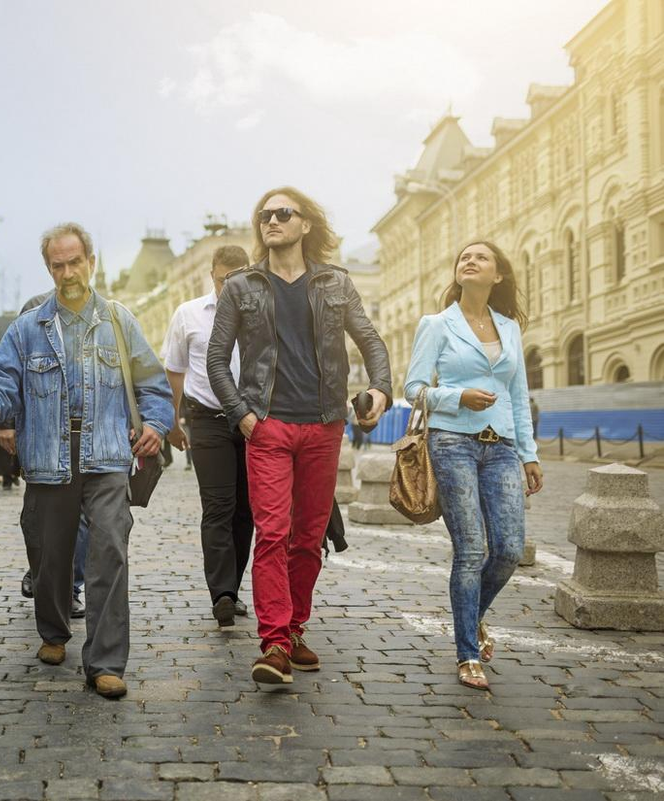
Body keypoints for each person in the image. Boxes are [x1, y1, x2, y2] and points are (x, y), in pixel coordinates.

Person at [0, 222, 173, 699]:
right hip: (47, 458)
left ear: (91, 262)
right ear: (49, 268)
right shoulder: (28, 328)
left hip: (106, 456)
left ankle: (105, 661)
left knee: (109, 552)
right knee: (50, 555)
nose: (68, 272)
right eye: (58, 265)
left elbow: (153, 385)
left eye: (74, 262)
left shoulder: (120, 321)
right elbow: (1, 376)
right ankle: (53, 629)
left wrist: (155, 424)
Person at [207, 187, 390, 685]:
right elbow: (217, 360)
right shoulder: (242, 286)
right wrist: (243, 415)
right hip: (268, 425)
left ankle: (293, 628)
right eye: (264, 214)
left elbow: (370, 340)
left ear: (305, 223)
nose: (271, 220)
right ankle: (273, 644)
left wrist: (380, 389)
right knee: (272, 533)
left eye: (282, 213)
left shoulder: (335, 282)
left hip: (325, 424)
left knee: (309, 539)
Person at [404, 240, 543, 690]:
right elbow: (414, 389)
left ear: (497, 274)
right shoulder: (437, 324)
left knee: (507, 548)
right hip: (452, 442)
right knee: (470, 550)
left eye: (481, 257)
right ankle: (467, 654)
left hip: (500, 444)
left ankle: (472, 616)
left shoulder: (509, 328)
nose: (470, 259)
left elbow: (519, 396)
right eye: (464, 255)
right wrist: (456, 396)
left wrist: (529, 453)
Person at [163, 244, 253, 627]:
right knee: (218, 505)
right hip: (208, 420)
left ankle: (232, 584)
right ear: (212, 276)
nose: (229, 288)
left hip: (252, 423)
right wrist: (172, 419)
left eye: (238, 280)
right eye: (222, 281)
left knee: (247, 511)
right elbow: (174, 370)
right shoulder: (189, 315)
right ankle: (223, 594)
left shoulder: (262, 315)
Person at [8, 289, 87, 619]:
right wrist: (7, 423)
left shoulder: (105, 315)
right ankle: (41, 571)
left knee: (82, 519)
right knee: (37, 518)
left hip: (86, 436)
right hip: (42, 437)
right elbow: (12, 374)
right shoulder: (31, 313)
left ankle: (70, 586)